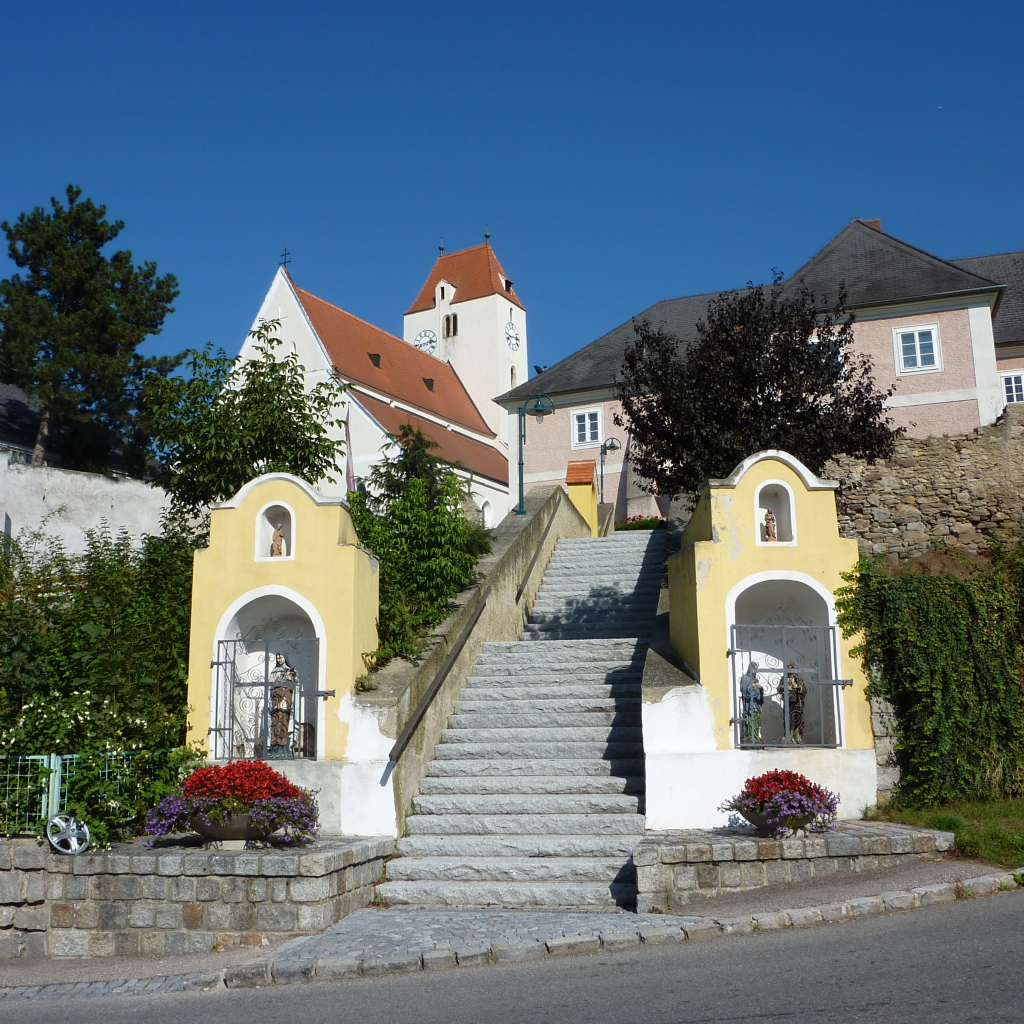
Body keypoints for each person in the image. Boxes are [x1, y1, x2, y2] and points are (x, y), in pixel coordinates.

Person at [268, 652, 297, 756]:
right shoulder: (274, 671)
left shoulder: (290, 671)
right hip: (276, 701)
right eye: (278, 658)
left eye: (281, 657)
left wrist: (286, 687)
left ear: (285, 658)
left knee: (284, 722)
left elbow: (293, 686)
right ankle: (274, 746)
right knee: (275, 723)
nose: (280, 660)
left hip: (286, 701)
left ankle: (283, 746)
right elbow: (270, 686)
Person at [779, 661, 807, 743]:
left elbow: (804, 689)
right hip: (787, 701)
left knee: (796, 718)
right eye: (788, 669)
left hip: (797, 701)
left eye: (791, 668)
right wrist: (783, 687)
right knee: (787, 718)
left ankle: (796, 736)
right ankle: (787, 736)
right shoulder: (784, 678)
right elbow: (779, 689)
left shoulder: (798, 678)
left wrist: (797, 687)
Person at [738, 661, 763, 744]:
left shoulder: (756, 679)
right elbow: (742, 689)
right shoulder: (745, 678)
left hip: (756, 702)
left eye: (756, 669)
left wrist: (760, 688)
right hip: (749, 702)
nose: (755, 670)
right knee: (749, 717)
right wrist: (750, 687)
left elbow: (759, 691)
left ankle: (755, 735)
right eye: (754, 668)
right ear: (750, 668)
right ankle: (749, 735)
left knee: (758, 717)